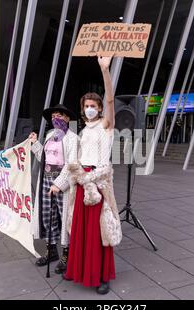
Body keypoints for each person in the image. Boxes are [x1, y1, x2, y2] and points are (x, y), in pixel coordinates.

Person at [63, 56, 121, 295]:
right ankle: (79, 270)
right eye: (86, 106)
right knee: (80, 229)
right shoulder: (83, 130)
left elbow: (109, 98)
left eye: (93, 106)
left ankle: (101, 276)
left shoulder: (107, 125)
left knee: (99, 230)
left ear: (99, 109)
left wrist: (105, 70)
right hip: (82, 183)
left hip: (98, 183)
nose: (90, 109)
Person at [29, 104, 78, 275]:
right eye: (53, 116)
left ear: (67, 118)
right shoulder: (50, 135)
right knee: (47, 216)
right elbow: (44, 157)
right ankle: (51, 251)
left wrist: (60, 183)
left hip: (62, 186)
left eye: (59, 115)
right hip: (46, 182)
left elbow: (72, 164)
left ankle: (67, 254)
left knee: (64, 218)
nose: (55, 118)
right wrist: (35, 144)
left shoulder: (73, 139)